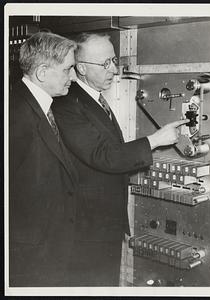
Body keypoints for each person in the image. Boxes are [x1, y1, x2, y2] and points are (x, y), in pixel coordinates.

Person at [52, 32, 188, 286]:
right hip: (86, 229)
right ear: (81, 68)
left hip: (104, 223)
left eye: (113, 60)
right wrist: (155, 140)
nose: (114, 69)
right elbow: (103, 155)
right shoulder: (67, 104)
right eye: (105, 63)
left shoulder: (94, 100)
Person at [9, 32, 78, 286]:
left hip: (46, 246)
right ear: (42, 73)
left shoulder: (40, 106)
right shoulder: (15, 113)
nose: (73, 76)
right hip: (28, 254)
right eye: (68, 69)